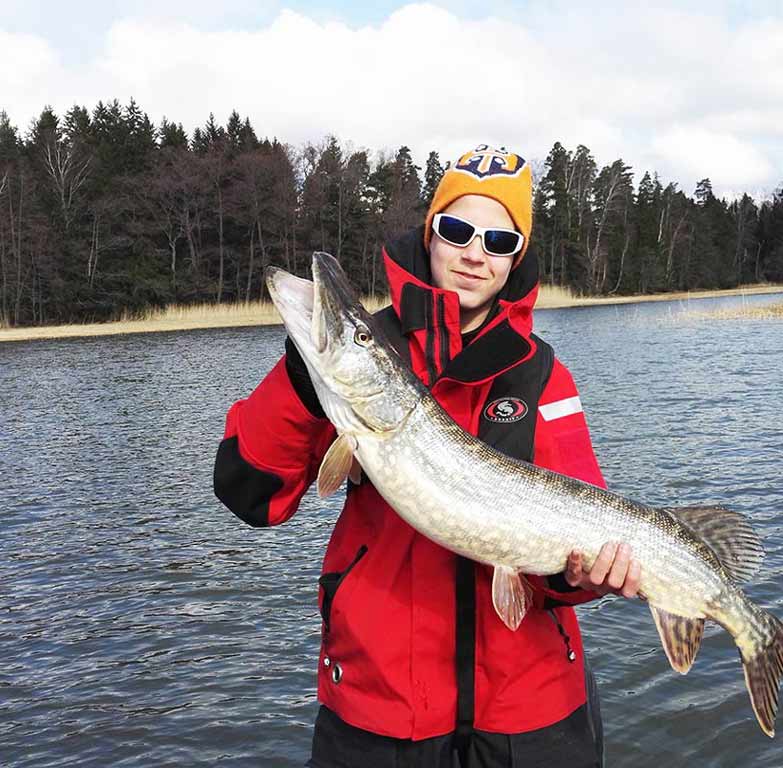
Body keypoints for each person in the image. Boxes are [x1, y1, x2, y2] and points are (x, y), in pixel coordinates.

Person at [213, 145, 640, 768]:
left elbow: (576, 527)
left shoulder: (544, 376)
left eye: (498, 239)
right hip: (377, 711)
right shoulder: (364, 359)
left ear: (515, 258)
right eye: (459, 229)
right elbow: (247, 492)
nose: (475, 253)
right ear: (430, 234)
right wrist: (306, 378)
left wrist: (579, 579)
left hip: (534, 718)